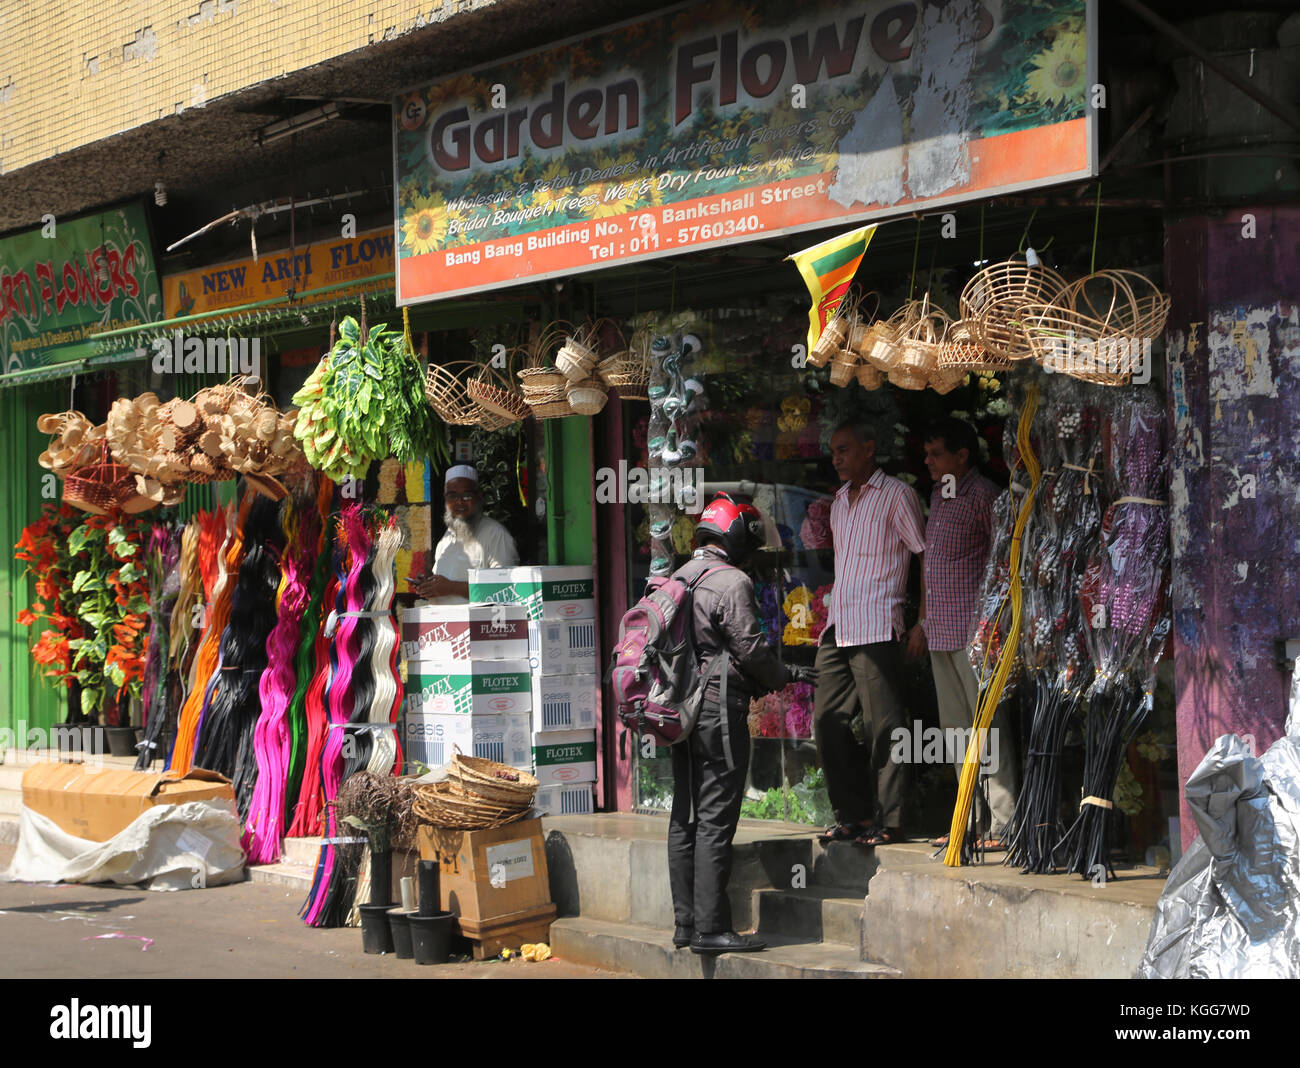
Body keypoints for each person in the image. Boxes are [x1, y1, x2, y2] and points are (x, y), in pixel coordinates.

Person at [667, 493, 816, 955]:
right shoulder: (731, 581)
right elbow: (750, 649)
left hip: (680, 710)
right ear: (733, 536)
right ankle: (711, 929)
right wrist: (785, 675)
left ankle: (686, 925)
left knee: (685, 815)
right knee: (715, 816)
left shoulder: (680, 575)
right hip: (716, 713)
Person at [814, 419, 925, 847]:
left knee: (885, 727)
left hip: (878, 623)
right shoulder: (839, 501)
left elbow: (923, 556)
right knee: (827, 723)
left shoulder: (898, 496)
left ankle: (891, 820)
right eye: (834, 451)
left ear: (869, 448)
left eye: (844, 449)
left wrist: (924, 621)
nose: (836, 459)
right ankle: (854, 815)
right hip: (838, 625)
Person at [916, 418, 1013, 850]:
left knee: (987, 728)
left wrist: (995, 626)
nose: (928, 461)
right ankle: (968, 824)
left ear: (962, 456)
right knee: (957, 733)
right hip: (940, 631)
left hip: (976, 634)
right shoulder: (939, 495)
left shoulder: (986, 498)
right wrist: (921, 621)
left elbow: (1004, 564)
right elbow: (930, 566)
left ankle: (1004, 824)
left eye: (936, 454)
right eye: (927, 453)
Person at [410, 465, 518, 603]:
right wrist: (429, 585)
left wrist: (451, 588)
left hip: (477, 624)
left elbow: (506, 590)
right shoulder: (446, 539)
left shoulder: (496, 535)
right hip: (444, 623)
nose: (459, 502)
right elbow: (444, 583)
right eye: (452, 496)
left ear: (479, 497)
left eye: (466, 495)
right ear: (445, 499)